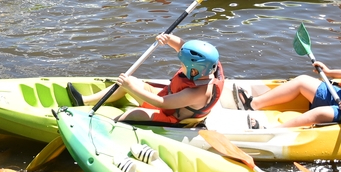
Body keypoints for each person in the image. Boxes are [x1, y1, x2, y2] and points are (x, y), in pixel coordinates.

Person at [66, 35, 224, 124]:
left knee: (136, 113)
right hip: (167, 97)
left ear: (194, 70)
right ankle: (84, 100)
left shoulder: (198, 92)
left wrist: (132, 89)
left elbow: (163, 104)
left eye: (182, 65)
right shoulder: (207, 65)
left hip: (171, 117)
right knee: (131, 80)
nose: (180, 66)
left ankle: (102, 125)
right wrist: (168, 39)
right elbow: (182, 45)